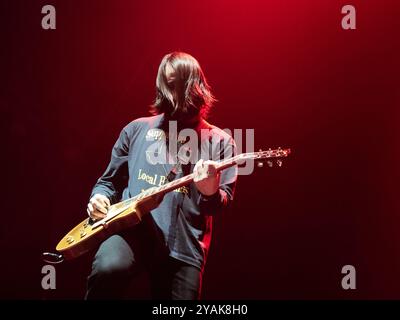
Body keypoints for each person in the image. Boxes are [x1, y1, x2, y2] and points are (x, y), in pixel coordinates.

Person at [85, 52, 237, 300]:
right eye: (167, 84)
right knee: (107, 270)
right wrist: (98, 198)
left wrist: (209, 190)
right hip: (132, 232)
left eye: (177, 83)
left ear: (194, 85)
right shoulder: (136, 129)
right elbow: (108, 182)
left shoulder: (220, 141)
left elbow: (221, 203)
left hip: (184, 248)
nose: (171, 92)